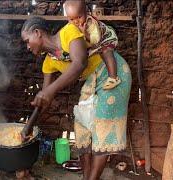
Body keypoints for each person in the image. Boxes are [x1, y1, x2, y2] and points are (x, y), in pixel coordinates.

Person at [21, 16, 132, 180]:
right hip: (92, 81)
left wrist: (50, 90)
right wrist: (28, 127)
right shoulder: (48, 62)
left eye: (26, 40)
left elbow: (80, 62)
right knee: (82, 129)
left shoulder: (68, 32)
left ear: (37, 33)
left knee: (103, 128)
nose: (27, 46)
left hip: (111, 74)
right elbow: (44, 99)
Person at [64, 0, 121, 90]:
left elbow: (96, 40)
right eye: (71, 19)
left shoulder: (90, 23)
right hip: (90, 45)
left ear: (86, 13)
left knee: (106, 52)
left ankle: (113, 77)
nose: (75, 21)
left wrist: (84, 33)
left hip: (105, 39)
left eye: (79, 17)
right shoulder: (70, 26)